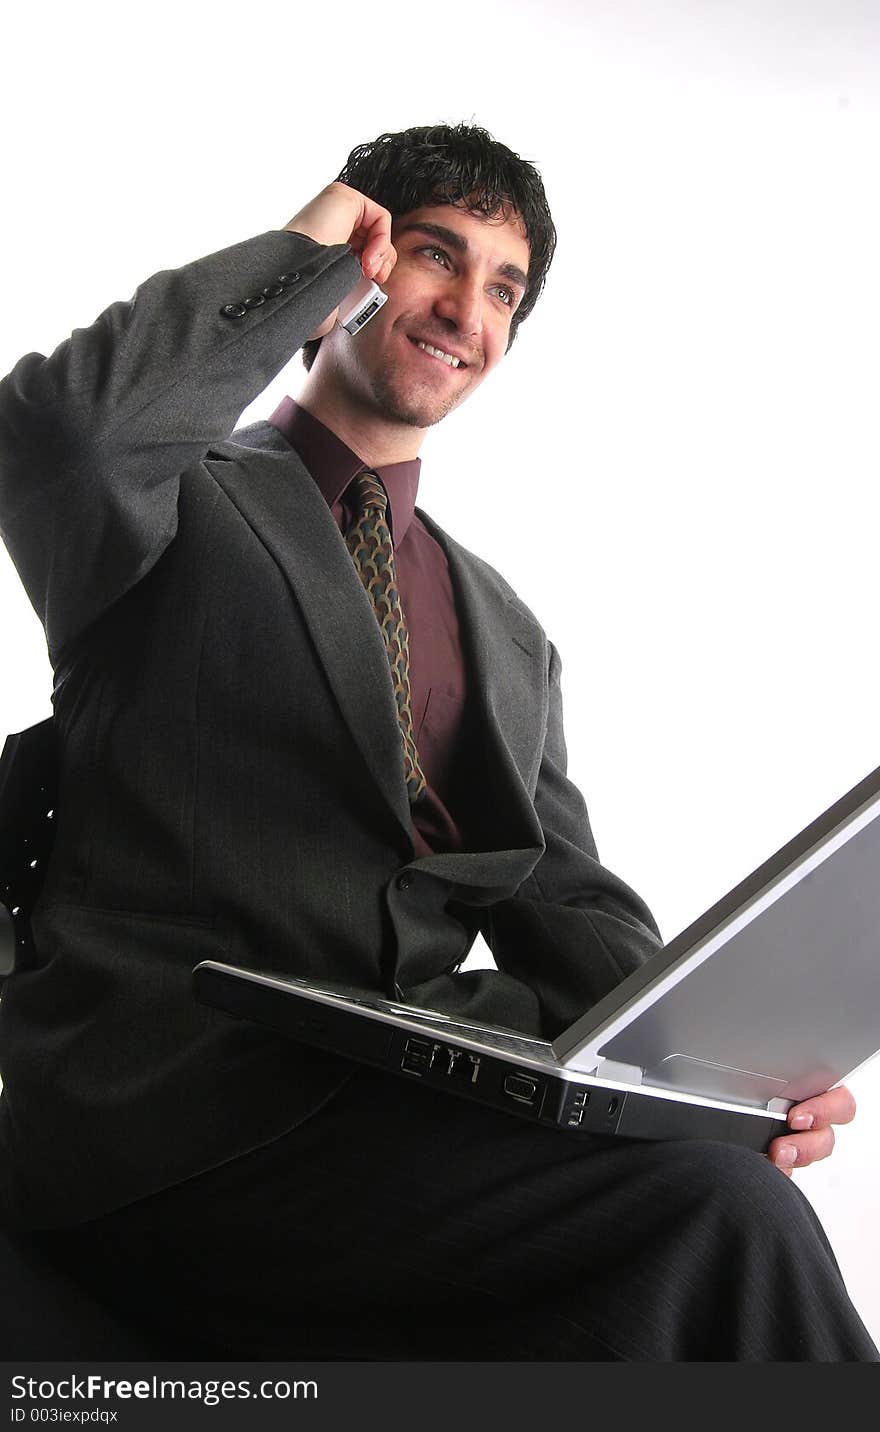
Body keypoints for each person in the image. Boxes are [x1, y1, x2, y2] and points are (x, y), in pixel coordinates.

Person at [0, 122, 874, 1361]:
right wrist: (302, 255)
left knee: (722, 1207)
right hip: (169, 1125)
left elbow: (572, 912)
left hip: (400, 1113)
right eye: (433, 256)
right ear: (360, 259)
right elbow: (60, 433)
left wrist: (729, 1076)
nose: (466, 309)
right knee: (723, 1224)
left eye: (504, 289)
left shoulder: (507, 631)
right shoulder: (167, 497)